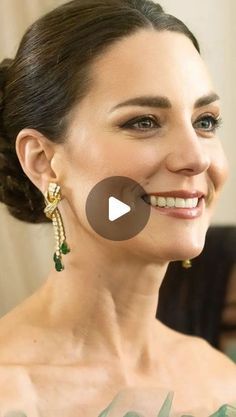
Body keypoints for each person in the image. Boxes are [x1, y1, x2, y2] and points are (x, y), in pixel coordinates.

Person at [0, 0, 235, 416]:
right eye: (143, 122)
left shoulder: (221, 379)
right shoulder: (10, 391)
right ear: (42, 160)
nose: (195, 157)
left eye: (205, 122)